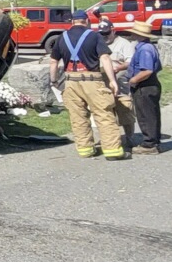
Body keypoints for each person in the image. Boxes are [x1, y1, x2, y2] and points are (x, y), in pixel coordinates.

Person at [49, 10, 129, 160]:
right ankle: (112, 151)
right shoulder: (94, 36)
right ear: (86, 21)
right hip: (92, 80)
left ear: (72, 22)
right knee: (103, 114)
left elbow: (53, 61)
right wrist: (112, 80)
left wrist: (53, 81)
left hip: (70, 81)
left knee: (78, 116)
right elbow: (105, 58)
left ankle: (85, 149)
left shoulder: (62, 37)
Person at [126, 21, 163, 155]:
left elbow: (147, 71)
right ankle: (154, 141)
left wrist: (133, 80)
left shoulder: (145, 49)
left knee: (145, 115)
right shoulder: (146, 47)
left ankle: (149, 144)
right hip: (149, 84)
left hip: (144, 85)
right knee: (151, 114)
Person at [99, 19, 137, 148]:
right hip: (103, 84)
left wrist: (118, 67)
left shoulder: (124, 43)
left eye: (107, 33)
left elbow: (131, 61)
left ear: (113, 31)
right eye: (102, 34)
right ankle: (110, 140)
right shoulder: (98, 42)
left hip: (121, 83)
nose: (104, 37)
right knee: (105, 113)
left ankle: (130, 137)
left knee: (125, 110)